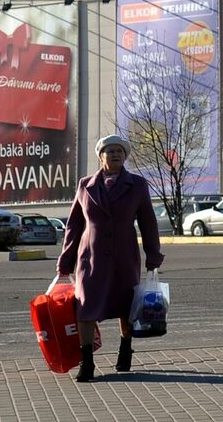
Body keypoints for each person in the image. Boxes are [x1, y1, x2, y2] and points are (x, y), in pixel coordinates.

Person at [57, 134, 164, 382]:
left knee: (126, 307)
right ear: (100, 156)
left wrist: (154, 254)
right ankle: (87, 362)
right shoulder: (86, 185)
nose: (115, 154)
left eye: (120, 151)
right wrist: (65, 260)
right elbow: (74, 225)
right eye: (110, 151)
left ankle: (125, 350)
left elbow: (148, 222)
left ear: (125, 156)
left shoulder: (137, 184)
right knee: (84, 307)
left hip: (124, 255)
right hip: (90, 257)